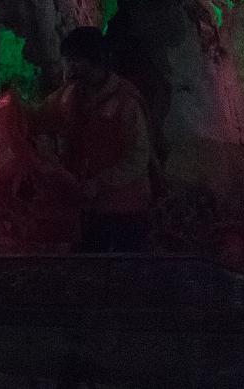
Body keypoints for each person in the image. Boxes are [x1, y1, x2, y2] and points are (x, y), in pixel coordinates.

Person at [35, 27, 156, 253]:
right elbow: (41, 116)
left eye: (75, 61)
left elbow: (138, 156)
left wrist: (101, 183)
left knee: (123, 274)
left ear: (94, 61)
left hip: (123, 210)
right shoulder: (71, 94)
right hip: (87, 207)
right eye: (68, 60)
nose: (69, 67)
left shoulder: (125, 101)